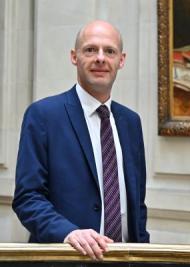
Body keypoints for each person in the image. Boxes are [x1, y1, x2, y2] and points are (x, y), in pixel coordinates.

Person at [12, 20, 149, 260]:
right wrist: (69, 233)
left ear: (121, 60)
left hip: (125, 259)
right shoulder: (43, 115)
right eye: (90, 50)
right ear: (74, 57)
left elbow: (137, 205)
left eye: (109, 51)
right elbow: (27, 198)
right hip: (67, 259)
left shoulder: (131, 122)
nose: (100, 58)